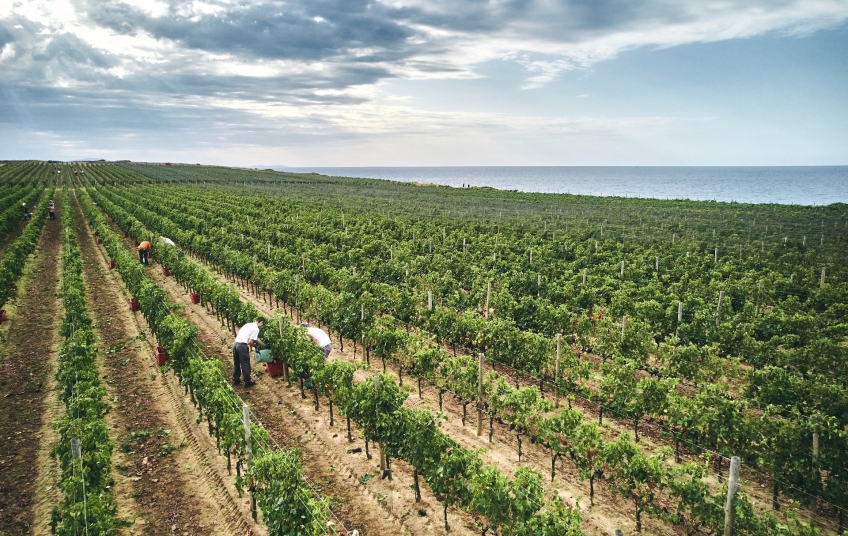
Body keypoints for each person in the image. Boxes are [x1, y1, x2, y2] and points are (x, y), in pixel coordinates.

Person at [233, 317, 265, 387]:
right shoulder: (256, 329)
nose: (261, 326)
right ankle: (247, 381)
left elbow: (256, 338)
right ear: (261, 322)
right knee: (245, 363)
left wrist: (263, 345)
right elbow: (250, 341)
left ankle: (236, 379)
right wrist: (255, 346)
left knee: (236, 362)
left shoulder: (248, 325)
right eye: (262, 324)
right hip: (242, 346)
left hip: (235, 344)